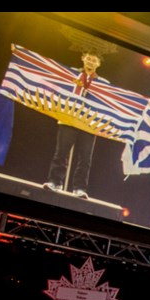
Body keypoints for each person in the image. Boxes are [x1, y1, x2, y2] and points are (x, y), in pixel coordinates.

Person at [43, 51, 104, 199]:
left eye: (94, 60)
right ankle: (54, 182)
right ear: (83, 59)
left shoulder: (103, 83)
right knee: (61, 153)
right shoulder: (70, 73)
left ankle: (79, 188)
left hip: (88, 124)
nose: (90, 62)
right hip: (69, 118)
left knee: (85, 159)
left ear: (98, 64)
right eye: (88, 59)